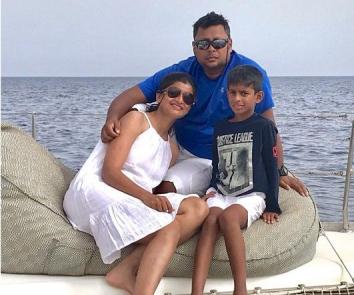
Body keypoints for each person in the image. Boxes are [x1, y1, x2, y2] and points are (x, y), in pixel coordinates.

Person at [100, 11, 309, 198]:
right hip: (174, 147)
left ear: (229, 43)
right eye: (203, 44)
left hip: (212, 159)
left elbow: (269, 127)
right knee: (130, 175)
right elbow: (130, 96)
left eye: (218, 43)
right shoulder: (182, 71)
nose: (211, 49)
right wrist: (112, 119)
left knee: (164, 189)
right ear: (194, 47)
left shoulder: (250, 73)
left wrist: (279, 170)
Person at [63, 73, 209, 295]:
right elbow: (110, 172)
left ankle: (125, 271)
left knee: (198, 208)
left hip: (134, 195)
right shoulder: (137, 120)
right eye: (174, 93)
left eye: (188, 98)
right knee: (168, 230)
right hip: (99, 188)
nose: (180, 99)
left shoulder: (172, 147)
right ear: (159, 96)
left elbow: (149, 180)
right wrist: (148, 198)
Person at [191, 65, 281, 295]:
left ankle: (240, 289)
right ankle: (196, 291)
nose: (237, 98)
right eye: (232, 92)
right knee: (210, 221)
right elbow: (216, 162)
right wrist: (211, 188)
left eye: (244, 93)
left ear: (258, 97)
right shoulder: (220, 127)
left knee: (229, 219)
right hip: (222, 192)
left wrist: (272, 205)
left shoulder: (263, 126)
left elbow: (271, 167)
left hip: (251, 195)